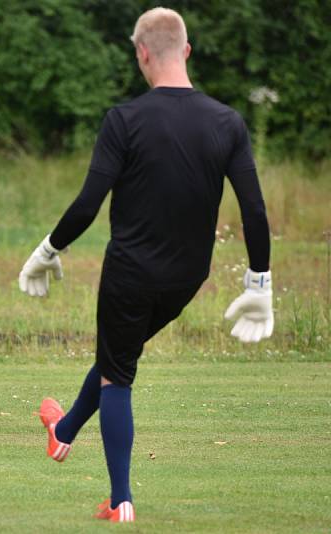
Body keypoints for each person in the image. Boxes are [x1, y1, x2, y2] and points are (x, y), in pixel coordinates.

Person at [18, 7, 272, 523]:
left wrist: (47, 252)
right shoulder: (228, 121)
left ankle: (120, 499)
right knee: (121, 353)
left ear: (141, 54)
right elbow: (254, 209)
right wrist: (259, 282)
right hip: (186, 278)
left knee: (117, 377)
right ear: (187, 51)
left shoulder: (125, 119)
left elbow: (88, 204)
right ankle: (62, 432)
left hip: (130, 273)